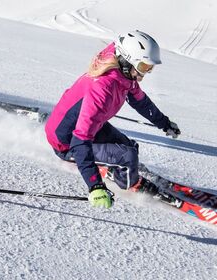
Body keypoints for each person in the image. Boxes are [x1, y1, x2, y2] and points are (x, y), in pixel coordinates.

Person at [44, 30, 181, 208]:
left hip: (90, 127)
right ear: (127, 60)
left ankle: (124, 169)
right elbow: (80, 140)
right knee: (127, 155)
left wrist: (164, 123)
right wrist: (95, 186)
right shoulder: (102, 89)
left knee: (129, 146)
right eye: (144, 67)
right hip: (66, 142)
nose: (146, 73)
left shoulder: (123, 75)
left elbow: (140, 101)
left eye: (150, 68)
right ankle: (130, 183)